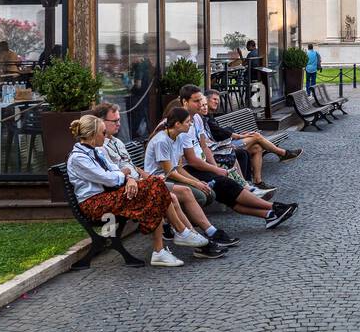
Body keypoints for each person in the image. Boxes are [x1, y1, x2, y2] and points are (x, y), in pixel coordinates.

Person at [87, 103, 226, 257]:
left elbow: (134, 168)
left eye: (119, 120)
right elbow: (114, 175)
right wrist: (134, 178)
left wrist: (149, 177)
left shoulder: (117, 142)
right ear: (100, 122)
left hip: (140, 181)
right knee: (169, 195)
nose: (119, 124)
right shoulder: (99, 147)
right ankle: (195, 239)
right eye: (115, 121)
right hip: (127, 189)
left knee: (182, 192)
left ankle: (200, 236)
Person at [65, 114, 185, 267]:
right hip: (95, 205)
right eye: (103, 132)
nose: (106, 135)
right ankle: (177, 235)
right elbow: (109, 178)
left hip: (108, 196)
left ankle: (165, 246)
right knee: (155, 185)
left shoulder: (97, 151)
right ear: (92, 135)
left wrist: (129, 179)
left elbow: (117, 170)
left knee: (155, 185)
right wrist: (125, 175)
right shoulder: (78, 158)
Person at [157, 106, 298, 235]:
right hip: (184, 172)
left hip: (194, 167)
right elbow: (182, 165)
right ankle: (274, 208)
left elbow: (200, 149)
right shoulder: (171, 136)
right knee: (225, 185)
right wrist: (199, 180)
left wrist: (214, 169)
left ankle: (270, 214)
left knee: (227, 191)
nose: (202, 104)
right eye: (198, 101)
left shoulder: (190, 125)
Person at [204, 89, 300, 189]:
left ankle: (258, 182)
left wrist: (239, 134)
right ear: (206, 100)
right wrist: (240, 136)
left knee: (257, 147)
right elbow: (218, 133)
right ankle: (282, 153)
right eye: (214, 99)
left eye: (218, 100)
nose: (217, 102)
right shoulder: (204, 117)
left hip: (226, 143)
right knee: (256, 136)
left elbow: (220, 132)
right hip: (222, 148)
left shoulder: (209, 116)